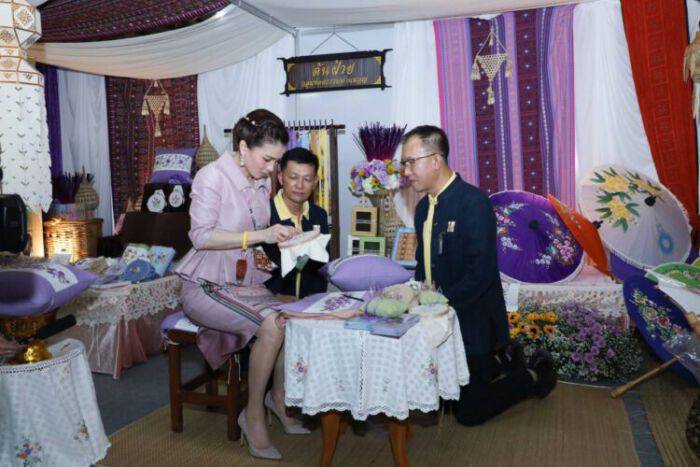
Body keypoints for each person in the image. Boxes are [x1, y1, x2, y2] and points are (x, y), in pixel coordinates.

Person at [174, 109, 308, 461]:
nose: (273, 170)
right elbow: (201, 237)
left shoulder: (260, 178)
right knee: (273, 324)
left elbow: (253, 234)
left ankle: (278, 399)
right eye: (268, 159)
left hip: (242, 281)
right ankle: (253, 414)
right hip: (205, 285)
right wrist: (261, 236)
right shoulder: (211, 177)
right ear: (244, 147)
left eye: (277, 161)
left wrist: (283, 240)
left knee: (292, 315)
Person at [402, 125, 557, 426]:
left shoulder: (473, 202)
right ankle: (500, 363)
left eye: (411, 162)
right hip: (437, 318)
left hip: (472, 322)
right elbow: (423, 264)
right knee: (432, 397)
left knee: (468, 413)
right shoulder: (422, 209)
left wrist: (440, 303)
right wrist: (414, 295)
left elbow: (481, 273)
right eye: (404, 163)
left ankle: (533, 374)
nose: (407, 171)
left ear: (435, 160)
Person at [263, 147, 329, 300]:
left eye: (307, 179)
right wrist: (275, 295)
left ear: (315, 182)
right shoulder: (265, 214)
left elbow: (321, 266)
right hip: (271, 303)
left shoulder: (319, 215)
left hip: (311, 303)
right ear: (280, 178)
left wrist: (314, 298)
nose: (300, 185)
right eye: (293, 177)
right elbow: (257, 265)